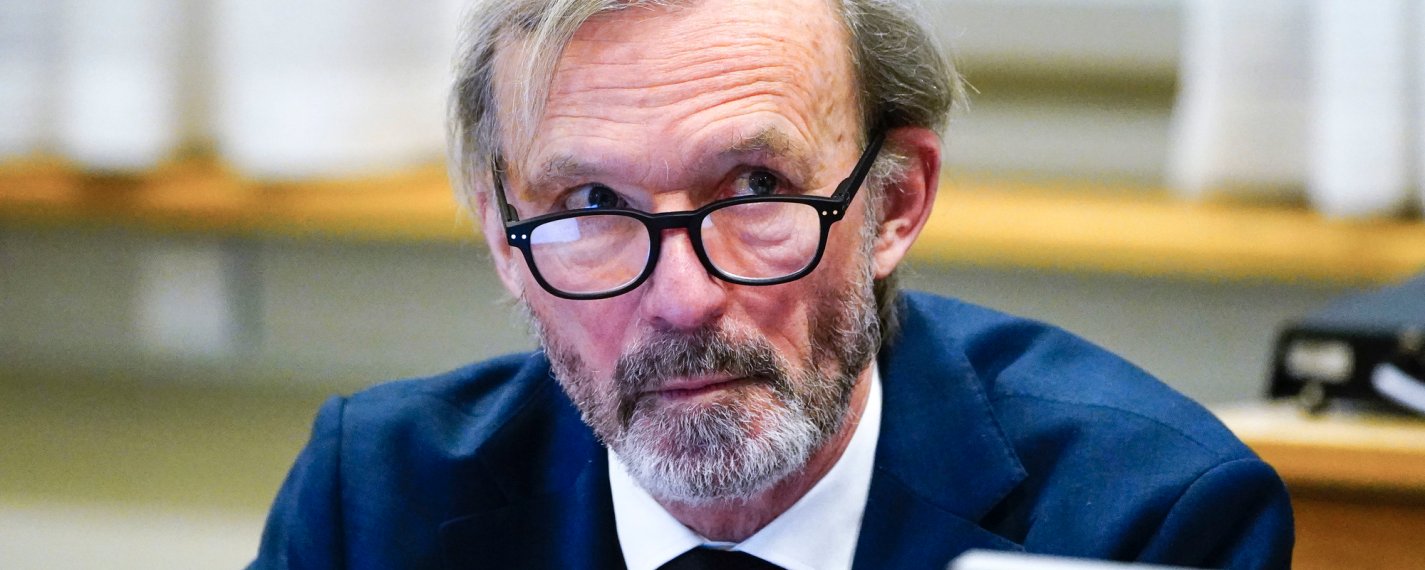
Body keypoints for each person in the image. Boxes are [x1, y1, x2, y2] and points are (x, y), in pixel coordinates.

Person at [250, 0, 1294, 568]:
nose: (681, 299)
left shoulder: (1143, 520)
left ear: (894, 202)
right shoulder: (374, 507)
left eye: (755, 188)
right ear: (502, 235)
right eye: (593, 204)